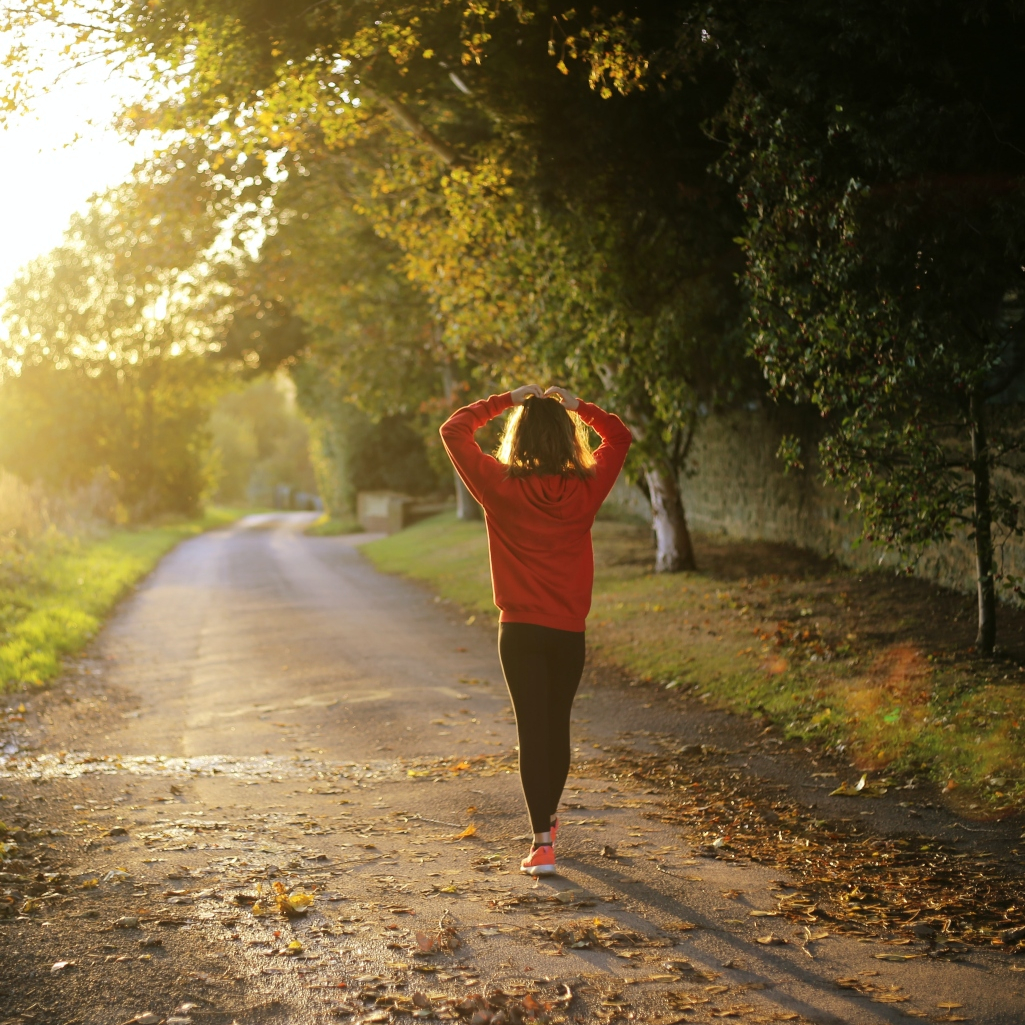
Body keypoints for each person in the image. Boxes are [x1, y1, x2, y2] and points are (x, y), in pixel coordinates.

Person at [440, 384, 632, 875]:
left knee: (532, 730)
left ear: (518, 438)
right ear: (568, 439)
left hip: (520, 631)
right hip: (568, 631)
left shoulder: (498, 485)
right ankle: (546, 822)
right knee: (557, 726)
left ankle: (542, 842)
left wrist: (506, 399)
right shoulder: (587, 487)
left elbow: (454, 429)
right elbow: (620, 435)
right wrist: (579, 407)